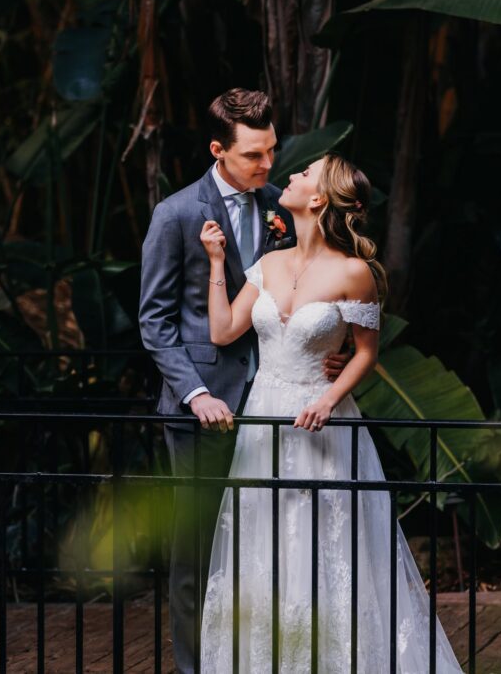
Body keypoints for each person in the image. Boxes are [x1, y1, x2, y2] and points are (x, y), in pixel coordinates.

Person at [197, 154, 463, 671]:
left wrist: (327, 398)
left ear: (318, 199)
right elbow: (224, 329)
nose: (289, 177)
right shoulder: (268, 263)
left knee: (326, 541)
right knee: (265, 536)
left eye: (303, 175)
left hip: (322, 418)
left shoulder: (354, 272)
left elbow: (366, 351)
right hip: (265, 417)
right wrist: (214, 262)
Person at [138, 88, 349, 674]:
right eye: (254, 155)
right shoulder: (177, 214)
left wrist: (327, 351)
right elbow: (154, 323)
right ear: (217, 150)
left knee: (269, 546)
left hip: (276, 404)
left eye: (273, 150)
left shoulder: (280, 210)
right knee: (198, 551)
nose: (268, 164)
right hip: (206, 410)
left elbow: (313, 291)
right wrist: (196, 394)